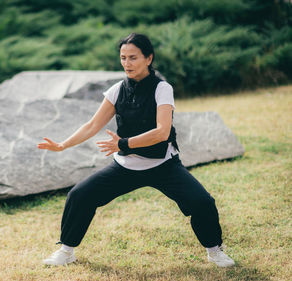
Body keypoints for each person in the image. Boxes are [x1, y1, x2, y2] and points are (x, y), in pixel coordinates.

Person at [37, 33, 235, 268]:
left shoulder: (162, 89)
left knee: (202, 202)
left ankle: (214, 250)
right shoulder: (116, 90)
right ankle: (67, 251)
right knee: (79, 196)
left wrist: (123, 143)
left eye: (133, 58)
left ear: (148, 58)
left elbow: (162, 132)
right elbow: (92, 125)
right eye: (123, 58)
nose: (127, 64)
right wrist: (62, 145)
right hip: (126, 167)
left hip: (163, 165)